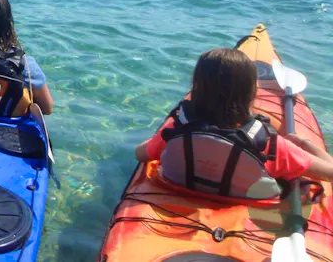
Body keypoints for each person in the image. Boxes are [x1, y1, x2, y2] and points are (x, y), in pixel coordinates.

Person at [135, 48, 333, 199]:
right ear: (250, 93)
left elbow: (141, 153)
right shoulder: (270, 146)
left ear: (197, 87)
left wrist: (159, 137)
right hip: (245, 204)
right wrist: (304, 144)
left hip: (181, 193)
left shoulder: (176, 130)